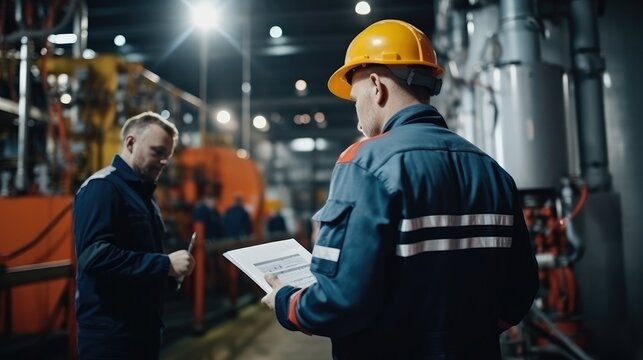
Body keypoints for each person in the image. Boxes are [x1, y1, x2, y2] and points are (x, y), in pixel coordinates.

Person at [261, 19, 539, 359]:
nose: (357, 113)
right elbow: (520, 291)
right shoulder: (492, 170)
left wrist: (286, 302)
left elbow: (341, 301)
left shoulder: (365, 163)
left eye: (355, 99)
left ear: (376, 86)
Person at [73, 111, 195, 359]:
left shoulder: (144, 197)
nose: (164, 162)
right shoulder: (103, 187)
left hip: (143, 329)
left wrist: (170, 275)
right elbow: (94, 257)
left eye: (168, 156)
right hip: (110, 336)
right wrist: (164, 264)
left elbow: (138, 256)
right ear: (131, 143)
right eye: (158, 152)